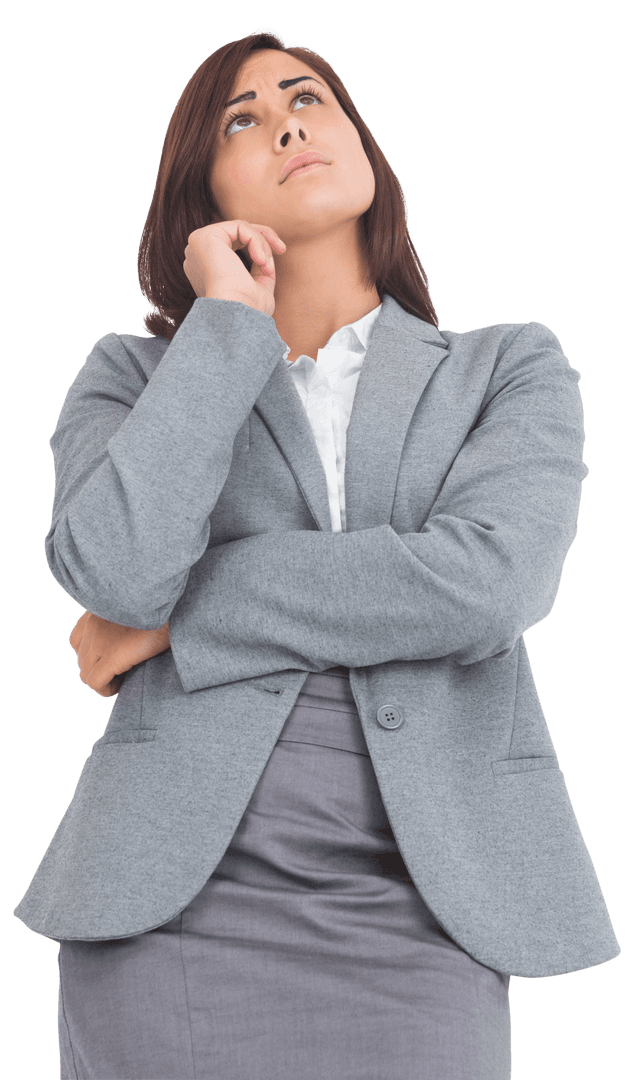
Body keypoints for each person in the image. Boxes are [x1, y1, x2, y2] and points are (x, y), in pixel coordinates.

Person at [13, 24, 620, 1080]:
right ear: (203, 196)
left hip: (431, 896)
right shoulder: (133, 375)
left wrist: (179, 618)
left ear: (366, 151)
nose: (286, 120)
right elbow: (114, 570)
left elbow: (489, 585)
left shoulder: (507, 368)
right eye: (241, 120)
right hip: (168, 910)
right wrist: (225, 326)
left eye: (308, 99)